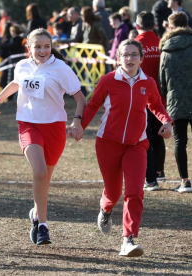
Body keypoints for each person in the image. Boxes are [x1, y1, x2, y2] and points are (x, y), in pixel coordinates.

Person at [0, 28, 87, 245]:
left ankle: (35, 213)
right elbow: (15, 84)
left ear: (51, 47)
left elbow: (80, 99)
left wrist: (77, 120)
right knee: (40, 172)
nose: (43, 51)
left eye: (47, 46)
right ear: (28, 48)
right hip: (28, 124)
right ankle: (43, 226)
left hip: (55, 128)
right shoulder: (22, 66)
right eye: (38, 46)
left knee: (45, 179)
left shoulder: (60, 68)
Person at [80, 39, 172, 257]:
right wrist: (80, 126)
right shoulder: (108, 80)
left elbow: (156, 105)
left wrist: (166, 122)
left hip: (136, 145)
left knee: (134, 191)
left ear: (141, 58)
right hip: (108, 143)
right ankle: (105, 209)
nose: (129, 59)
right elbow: (93, 105)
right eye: (125, 55)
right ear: (118, 58)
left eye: (134, 55)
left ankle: (128, 239)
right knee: (113, 192)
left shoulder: (147, 83)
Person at [159, 12, 192, 193]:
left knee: (180, 141)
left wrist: (167, 97)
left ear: (170, 27)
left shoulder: (166, 49)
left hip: (175, 99)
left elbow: (162, 81)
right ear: (187, 25)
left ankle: (185, 181)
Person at [134, 11, 166, 191]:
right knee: (159, 135)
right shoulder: (161, 43)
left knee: (144, 138)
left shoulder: (135, 46)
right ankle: (160, 171)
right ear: (154, 26)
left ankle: (151, 178)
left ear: (137, 26)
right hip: (160, 98)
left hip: (141, 99)